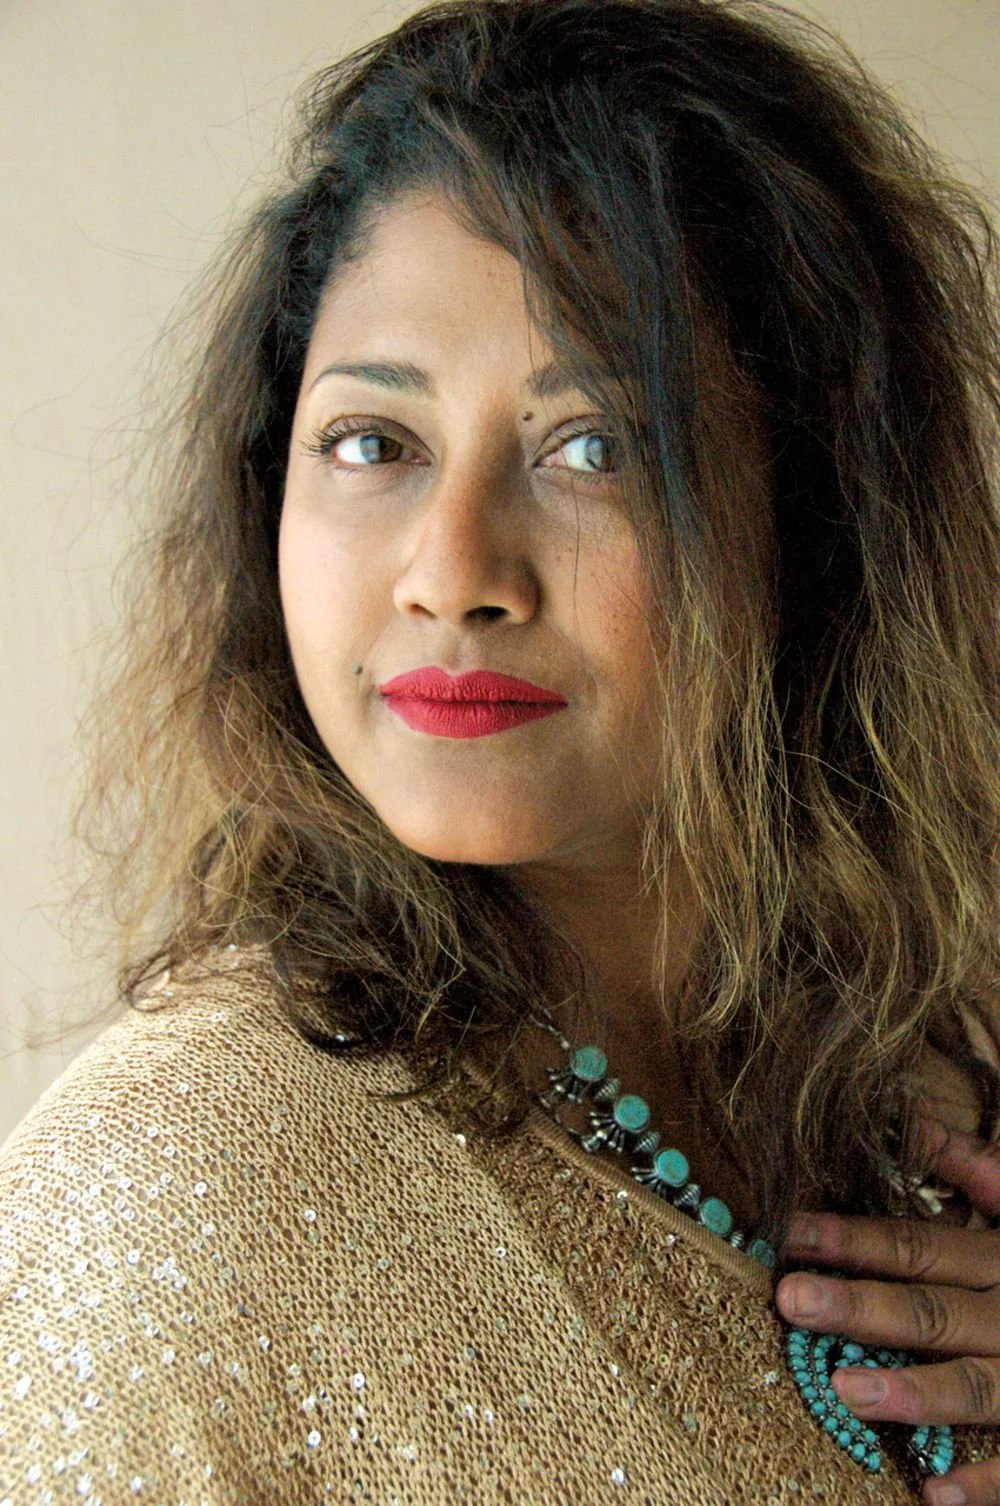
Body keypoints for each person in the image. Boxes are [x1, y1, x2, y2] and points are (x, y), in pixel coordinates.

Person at [2, 0, 1000, 1500]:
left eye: (595, 446)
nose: (455, 572)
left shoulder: (924, 1071)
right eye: (373, 443)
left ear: (816, 521)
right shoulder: (168, 1199)